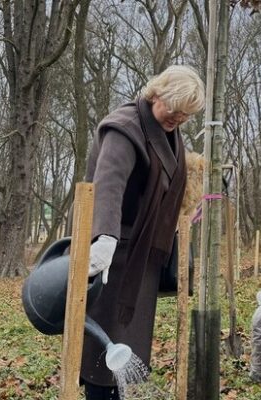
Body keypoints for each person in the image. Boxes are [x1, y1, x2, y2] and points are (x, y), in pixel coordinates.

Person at [80, 65, 205, 399]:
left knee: (125, 345)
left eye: (186, 115)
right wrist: (102, 237)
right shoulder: (125, 128)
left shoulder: (168, 133)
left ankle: (116, 395)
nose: (178, 118)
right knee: (101, 348)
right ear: (157, 94)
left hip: (141, 250)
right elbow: (109, 183)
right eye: (175, 109)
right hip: (113, 252)